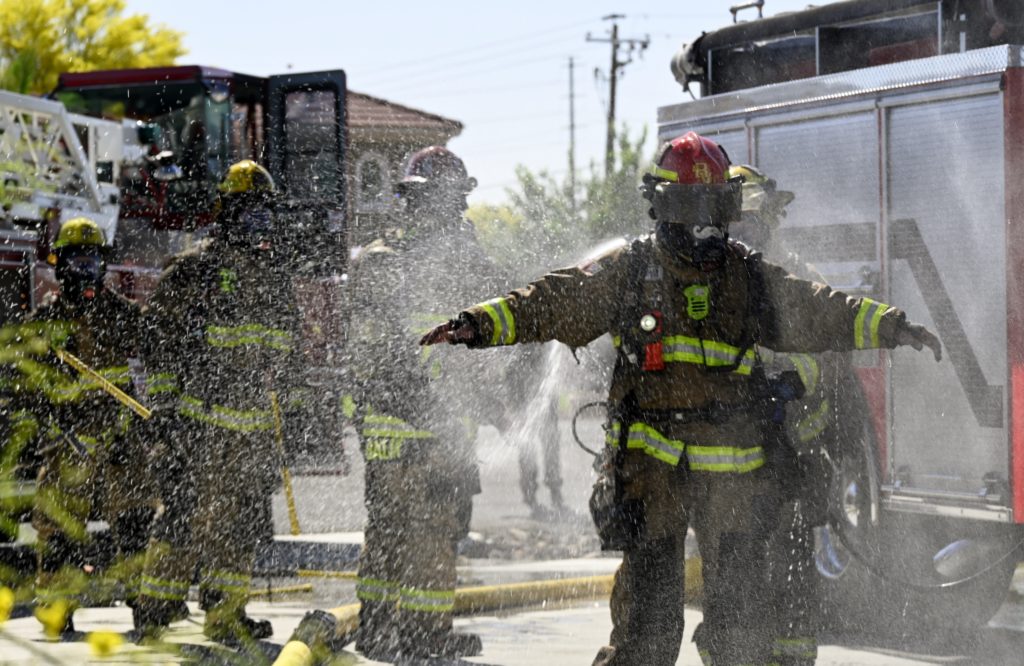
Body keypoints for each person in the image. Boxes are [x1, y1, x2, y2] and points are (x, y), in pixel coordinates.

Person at [420, 131, 942, 666]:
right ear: (664, 206)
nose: (707, 224)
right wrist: (478, 323)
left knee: (740, 639)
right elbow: (556, 300)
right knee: (647, 637)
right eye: (695, 208)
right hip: (652, 482)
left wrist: (891, 326)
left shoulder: (747, 275)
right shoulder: (630, 270)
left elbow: (815, 307)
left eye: (716, 207)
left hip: (734, 486)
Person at [348, 146, 510, 661]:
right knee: (429, 532)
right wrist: (433, 408)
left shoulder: (401, 259)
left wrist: (490, 404)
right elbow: (376, 355)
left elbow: (478, 347)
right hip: (423, 429)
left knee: (392, 529)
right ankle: (422, 634)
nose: (455, 212)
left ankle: (379, 628)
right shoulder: (402, 263)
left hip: (410, 429)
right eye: (450, 201)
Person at [131, 160, 300, 644]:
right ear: (226, 214)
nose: (259, 223)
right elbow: (157, 341)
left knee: (241, 521)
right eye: (249, 213)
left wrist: (293, 407)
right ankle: (154, 609)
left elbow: (288, 351)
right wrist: (165, 411)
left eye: (265, 214)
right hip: (197, 423)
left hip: (252, 429)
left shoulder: (274, 277)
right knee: (185, 516)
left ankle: (226, 614)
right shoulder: (194, 269)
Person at [726, 163, 869, 665]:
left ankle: (793, 657)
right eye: (739, 220)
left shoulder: (800, 277)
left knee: (792, 569)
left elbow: (831, 355)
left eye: (755, 219)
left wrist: (787, 382)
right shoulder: (713, 277)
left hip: (794, 453)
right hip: (732, 459)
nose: (748, 230)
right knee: (739, 573)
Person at [16, 217, 150, 636]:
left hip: (118, 439)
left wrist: (145, 424)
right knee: (59, 530)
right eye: (78, 262)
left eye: (92, 262)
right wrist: (45, 411)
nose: (86, 271)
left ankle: (145, 606)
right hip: (66, 443)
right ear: (61, 267)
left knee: (135, 523)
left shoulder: (125, 315)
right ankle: (58, 608)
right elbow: (22, 385)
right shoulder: (45, 323)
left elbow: (147, 369)